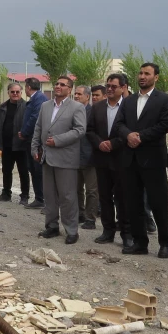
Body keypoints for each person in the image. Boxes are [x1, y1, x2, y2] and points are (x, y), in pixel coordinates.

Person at [112, 63, 168, 257]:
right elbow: (118, 124)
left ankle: (164, 243)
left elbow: (165, 124)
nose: (142, 76)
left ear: (156, 77)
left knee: (158, 203)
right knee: (133, 203)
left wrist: (140, 136)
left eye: (147, 73)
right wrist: (128, 135)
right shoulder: (128, 101)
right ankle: (140, 243)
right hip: (130, 159)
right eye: (140, 73)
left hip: (153, 159)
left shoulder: (164, 99)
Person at [33, 76, 86, 244]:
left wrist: (58, 140)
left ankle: (72, 230)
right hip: (47, 157)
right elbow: (38, 127)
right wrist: (34, 147)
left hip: (66, 158)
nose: (58, 86)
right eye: (56, 83)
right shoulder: (45, 106)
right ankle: (52, 226)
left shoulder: (77, 107)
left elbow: (80, 130)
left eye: (62, 84)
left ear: (69, 89)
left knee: (67, 196)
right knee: (49, 195)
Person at [86, 74, 131, 247]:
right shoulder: (97, 107)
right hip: (102, 158)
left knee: (123, 198)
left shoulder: (129, 106)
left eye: (114, 86)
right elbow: (90, 130)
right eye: (108, 86)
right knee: (104, 197)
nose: (110, 89)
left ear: (123, 88)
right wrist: (99, 143)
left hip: (121, 158)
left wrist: (113, 143)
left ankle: (126, 233)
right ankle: (108, 231)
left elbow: (130, 131)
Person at [0, 83, 30, 204]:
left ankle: (24, 196)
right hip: (7, 145)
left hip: (21, 146)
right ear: (8, 92)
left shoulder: (26, 106)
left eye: (17, 92)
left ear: (21, 92)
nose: (15, 94)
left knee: (23, 171)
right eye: (12, 92)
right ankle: (6, 194)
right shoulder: (3, 107)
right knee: (6, 170)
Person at [20, 77, 48, 208]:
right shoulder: (35, 98)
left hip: (36, 139)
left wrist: (24, 132)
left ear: (29, 87)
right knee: (33, 169)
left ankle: (43, 199)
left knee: (38, 170)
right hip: (30, 139)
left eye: (25, 87)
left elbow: (35, 118)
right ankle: (39, 198)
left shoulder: (39, 98)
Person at [74, 85, 98, 229]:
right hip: (74, 157)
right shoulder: (71, 111)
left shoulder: (93, 112)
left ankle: (90, 218)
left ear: (87, 97)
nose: (76, 96)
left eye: (79, 94)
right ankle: (79, 213)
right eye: (75, 94)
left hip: (90, 157)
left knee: (91, 190)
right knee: (76, 189)